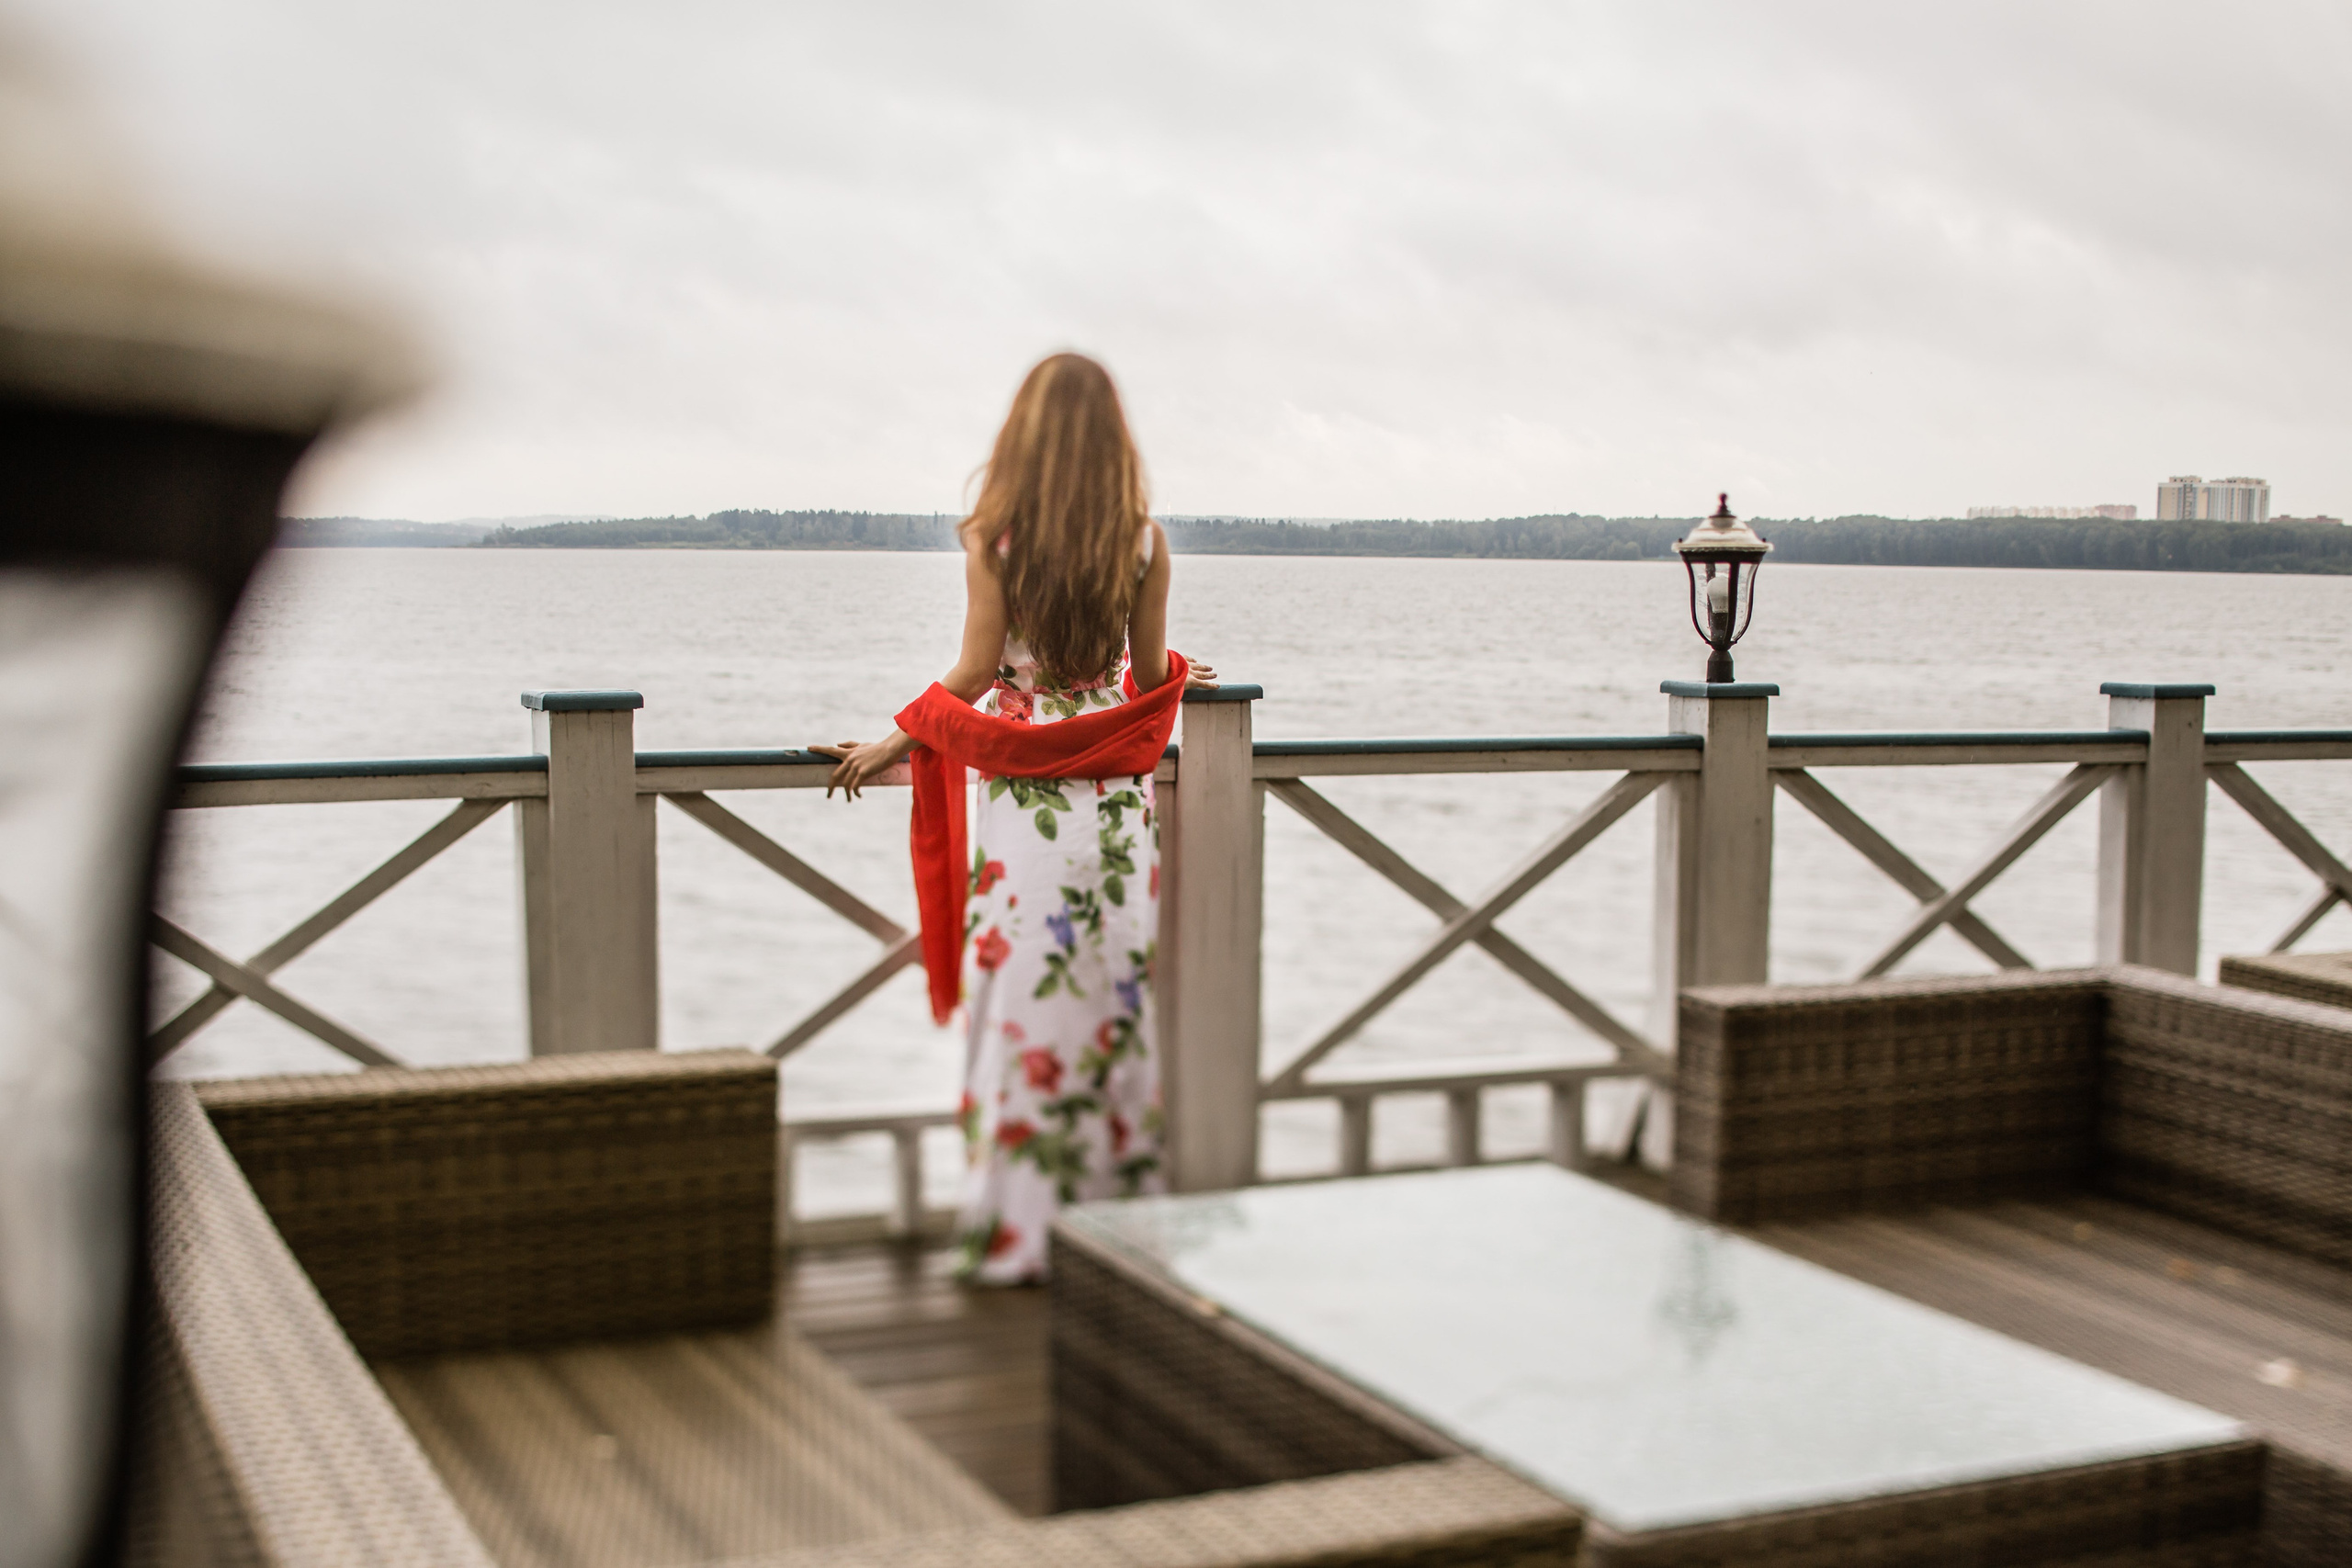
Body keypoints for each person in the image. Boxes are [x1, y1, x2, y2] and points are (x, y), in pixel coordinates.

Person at [816, 353, 1216, 1283]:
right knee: (1112, 1013)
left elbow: (970, 675)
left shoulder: (994, 542)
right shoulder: (1145, 542)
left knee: (1025, 1017)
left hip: (1026, 819)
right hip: (1115, 814)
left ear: (1025, 436)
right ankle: (1115, 1236)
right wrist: (1185, 677)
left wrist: (893, 742)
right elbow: (1149, 681)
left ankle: (1016, 1232)